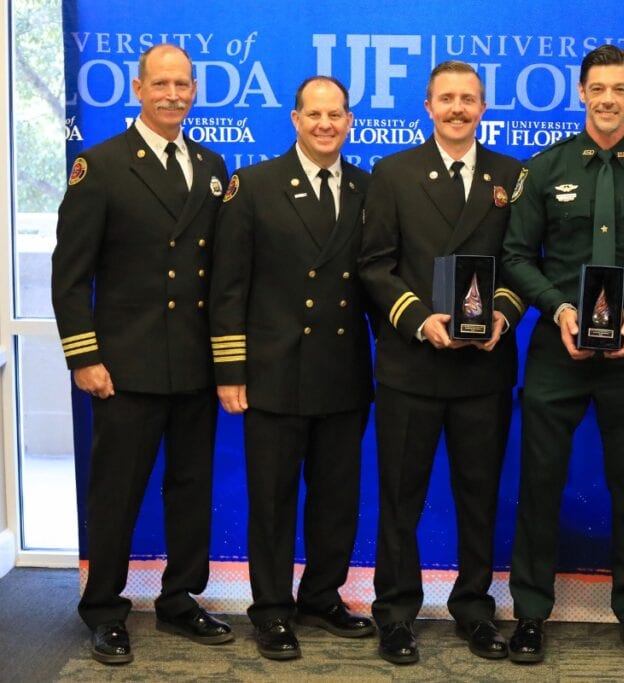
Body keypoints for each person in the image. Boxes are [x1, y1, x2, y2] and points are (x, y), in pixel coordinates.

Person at [501, 45, 624, 664]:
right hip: (558, 351)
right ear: (581, 93)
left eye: (620, 88)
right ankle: (530, 613)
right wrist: (559, 309)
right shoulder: (545, 168)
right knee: (540, 482)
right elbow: (517, 258)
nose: (608, 99)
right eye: (597, 88)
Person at [51, 44, 232, 665]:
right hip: (122, 369)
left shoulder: (211, 166)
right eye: (162, 83)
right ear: (138, 88)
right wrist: (84, 356)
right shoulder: (99, 166)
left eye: (184, 84)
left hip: (193, 364)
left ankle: (180, 598)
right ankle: (103, 608)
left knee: (189, 489)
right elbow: (69, 276)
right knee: (117, 494)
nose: (174, 94)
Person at [358, 61, 524, 665]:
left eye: (469, 99)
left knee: (478, 496)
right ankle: (396, 613)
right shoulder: (394, 173)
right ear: (428, 106)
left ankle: (475, 610)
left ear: (483, 107)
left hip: (483, 368)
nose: (458, 108)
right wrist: (418, 318)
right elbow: (375, 264)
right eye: (447, 99)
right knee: (401, 498)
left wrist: (502, 312)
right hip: (411, 367)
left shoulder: (511, 176)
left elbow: (521, 261)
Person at [209, 76, 375, 660]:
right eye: (315, 114)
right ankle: (273, 610)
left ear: (349, 121)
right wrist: (231, 370)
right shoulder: (252, 186)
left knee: (337, 498)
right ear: (295, 118)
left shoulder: (366, 188)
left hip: (343, 372)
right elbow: (228, 286)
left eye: (336, 114)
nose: (326, 124)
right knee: (273, 501)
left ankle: (322, 597)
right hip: (273, 373)